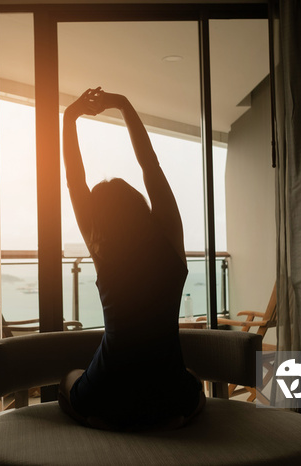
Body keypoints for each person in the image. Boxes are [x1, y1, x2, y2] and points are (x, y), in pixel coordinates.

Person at [58, 87, 205, 431]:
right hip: (167, 392)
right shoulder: (170, 241)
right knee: (193, 381)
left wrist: (70, 115)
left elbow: (73, 180)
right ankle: (171, 416)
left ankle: (98, 417)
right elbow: (149, 163)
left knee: (70, 377)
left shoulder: (101, 249)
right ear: (140, 206)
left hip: (107, 390)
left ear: (100, 221)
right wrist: (122, 104)